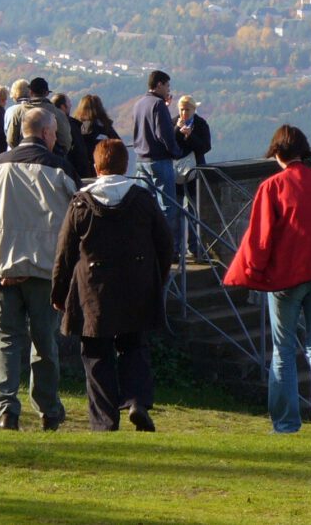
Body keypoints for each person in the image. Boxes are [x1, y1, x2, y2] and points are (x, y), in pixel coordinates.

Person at [224, 125, 311, 436]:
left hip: (286, 280)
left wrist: (252, 272)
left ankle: (286, 424)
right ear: (305, 151)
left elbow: (260, 239)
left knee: (283, 350)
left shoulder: (273, 187)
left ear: (277, 153)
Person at [0, 108, 77, 431]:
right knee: (44, 342)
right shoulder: (59, 169)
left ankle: (6, 408)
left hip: (1, 271)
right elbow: (78, 220)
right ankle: (48, 409)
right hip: (44, 272)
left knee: (4, 340)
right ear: (48, 134)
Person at [52, 138, 174, 432]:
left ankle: (104, 420)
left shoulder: (81, 203)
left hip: (93, 289)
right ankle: (136, 400)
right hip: (136, 285)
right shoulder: (142, 199)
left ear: (96, 167)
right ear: (126, 165)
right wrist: (157, 277)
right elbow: (165, 243)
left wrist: (58, 292)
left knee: (96, 352)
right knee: (134, 345)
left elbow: (65, 252)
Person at [131, 70, 182, 240]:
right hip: (159, 161)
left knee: (144, 206)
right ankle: (165, 246)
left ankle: (145, 243)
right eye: (167, 85)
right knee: (168, 207)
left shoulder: (139, 104)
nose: (168, 90)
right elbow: (163, 134)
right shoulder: (158, 105)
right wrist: (175, 152)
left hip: (141, 160)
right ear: (159, 84)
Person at [174, 95, 213, 258]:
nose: (184, 113)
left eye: (187, 110)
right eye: (182, 110)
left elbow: (205, 147)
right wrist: (177, 131)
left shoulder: (201, 124)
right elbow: (170, 145)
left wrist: (190, 136)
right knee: (175, 209)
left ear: (193, 110)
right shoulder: (173, 122)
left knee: (194, 210)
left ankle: (195, 247)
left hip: (195, 170)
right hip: (176, 171)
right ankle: (175, 248)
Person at [5, 77, 74, 162]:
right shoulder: (58, 113)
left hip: (23, 159)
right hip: (51, 160)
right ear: (46, 93)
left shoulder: (18, 112)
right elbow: (65, 141)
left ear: (30, 92)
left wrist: (20, 151)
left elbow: (11, 140)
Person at [73, 94, 120, 181]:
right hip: (103, 169)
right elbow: (118, 145)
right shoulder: (105, 128)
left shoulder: (74, 127)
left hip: (80, 171)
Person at [53, 93, 90, 180]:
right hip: (74, 171)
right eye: (69, 103)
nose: (71, 105)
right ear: (63, 107)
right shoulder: (71, 125)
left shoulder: (49, 123)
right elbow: (79, 150)